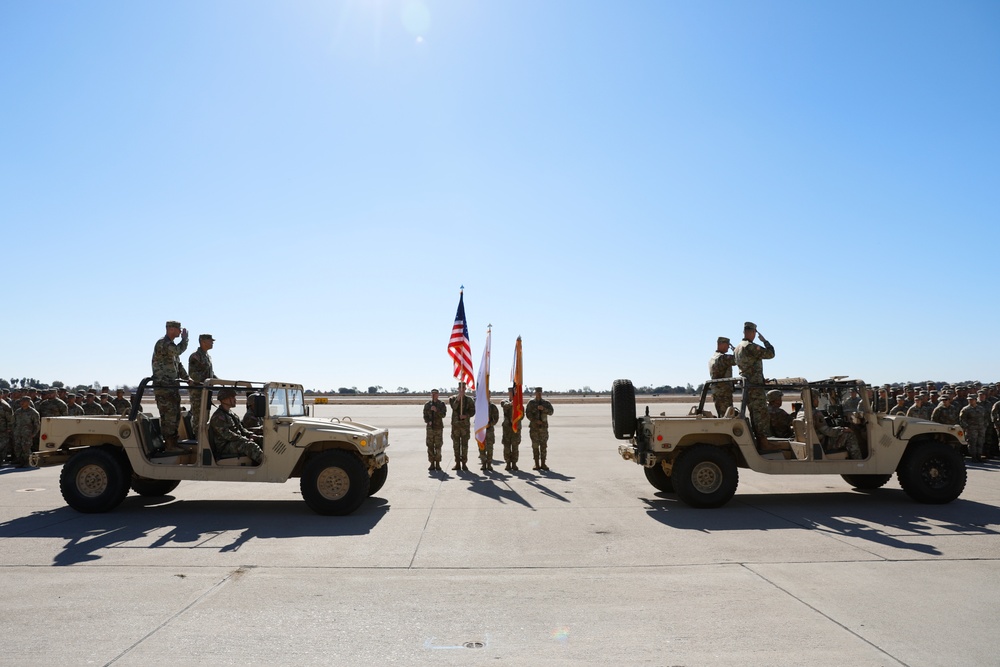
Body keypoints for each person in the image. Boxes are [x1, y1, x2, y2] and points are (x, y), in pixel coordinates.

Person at [734, 322, 775, 447]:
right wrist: (765, 341)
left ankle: (758, 442)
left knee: (753, 414)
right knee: (760, 415)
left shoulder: (737, 348)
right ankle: (764, 443)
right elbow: (770, 354)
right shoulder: (750, 346)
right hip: (755, 387)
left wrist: (761, 379)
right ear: (752, 332)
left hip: (747, 386)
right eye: (755, 333)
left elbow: (749, 367)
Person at [152, 320, 190, 452]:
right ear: (171, 329)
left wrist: (188, 379)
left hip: (172, 386)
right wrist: (185, 340)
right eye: (179, 329)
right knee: (168, 416)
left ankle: (173, 443)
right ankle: (169, 445)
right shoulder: (163, 343)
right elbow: (178, 351)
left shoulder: (170, 346)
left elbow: (178, 366)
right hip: (164, 387)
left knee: (175, 415)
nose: (180, 332)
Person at [209, 388, 263, 464]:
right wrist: (244, 439)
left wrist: (251, 435)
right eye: (232, 397)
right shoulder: (218, 417)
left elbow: (241, 429)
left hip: (235, 441)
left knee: (262, 440)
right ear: (224, 399)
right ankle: (267, 465)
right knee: (249, 446)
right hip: (225, 446)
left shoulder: (231, 414)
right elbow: (228, 435)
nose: (235, 400)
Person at [806, 393, 862, 459]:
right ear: (812, 400)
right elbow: (827, 431)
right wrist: (842, 429)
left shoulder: (802, 412)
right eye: (816, 399)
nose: (818, 401)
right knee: (850, 435)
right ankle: (859, 461)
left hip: (811, 441)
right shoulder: (816, 413)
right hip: (822, 442)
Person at [526, 387, 554, 470]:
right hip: (534, 428)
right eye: (537, 392)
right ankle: (536, 464)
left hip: (543, 429)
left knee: (543, 446)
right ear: (535, 393)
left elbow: (551, 412)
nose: (539, 394)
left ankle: (543, 464)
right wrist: (535, 421)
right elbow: (528, 414)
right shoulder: (531, 403)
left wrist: (544, 409)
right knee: (535, 446)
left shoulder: (546, 403)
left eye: (540, 392)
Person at [188, 334, 216, 418]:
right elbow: (193, 374)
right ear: (203, 342)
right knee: (198, 418)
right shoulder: (195, 356)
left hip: (207, 391)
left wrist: (220, 381)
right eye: (210, 341)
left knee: (205, 417)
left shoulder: (207, 357)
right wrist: (206, 382)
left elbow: (211, 374)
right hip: (198, 393)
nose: (212, 343)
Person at [448, 383, 475, 471]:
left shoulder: (469, 400)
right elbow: (454, 407)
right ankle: (457, 463)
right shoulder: (452, 398)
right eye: (460, 388)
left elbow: (473, 411)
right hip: (455, 427)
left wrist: (466, 416)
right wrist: (459, 397)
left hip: (465, 427)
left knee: (464, 446)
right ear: (458, 388)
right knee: (456, 445)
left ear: (465, 389)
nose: (462, 389)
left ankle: (464, 463)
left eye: (464, 388)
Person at [709, 336, 737, 417]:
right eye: (728, 344)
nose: (728, 347)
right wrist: (736, 350)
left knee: (722, 414)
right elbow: (739, 359)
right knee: (727, 416)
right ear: (721, 344)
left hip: (717, 392)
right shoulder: (722, 357)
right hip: (724, 392)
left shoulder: (713, 357)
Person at [422, 389, 447, 471]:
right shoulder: (427, 404)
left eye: (435, 394)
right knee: (430, 446)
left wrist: (436, 410)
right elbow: (425, 415)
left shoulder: (441, 404)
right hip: (430, 429)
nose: (434, 395)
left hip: (438, 428)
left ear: (438, 395)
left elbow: (443, 415)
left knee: (438, 446)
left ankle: (438, 463)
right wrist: (428, 421)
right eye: (432, 394)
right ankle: (432, 463)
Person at [12, 396, 40, 468]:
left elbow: (37, 425)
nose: (21, 403)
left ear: (28, 402)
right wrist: (14, 431)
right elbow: (14, 422)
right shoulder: (18, 411)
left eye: (23, 401)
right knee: (18, 448)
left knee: (26, 449)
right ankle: (21, 462)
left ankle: (28, 463)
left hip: (27, 434)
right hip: (18, 434)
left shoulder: (33, 412)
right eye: (21, 401)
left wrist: (33, 434)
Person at [960, 392, 988, 462]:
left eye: (972, 399)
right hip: (971, 429)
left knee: (980, 442)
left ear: (975, 400)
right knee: (972, 443)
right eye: (969, 400)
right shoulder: (965, 409)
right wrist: (967, 427)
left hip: (981, 428)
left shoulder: (981, 408)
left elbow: (985, 417)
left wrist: (985, 426)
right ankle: (974, 457)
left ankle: (979, 456)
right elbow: (962, 420)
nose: (970, 401)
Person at [501, 386, 523, 471]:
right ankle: (507, 463)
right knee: (506, 446)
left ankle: (514, 463)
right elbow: (504, 405)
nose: (511, 394)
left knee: (515, 446)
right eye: (510, 392)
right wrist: (511, 404)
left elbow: (521, 415)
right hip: (507, 428)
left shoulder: (518, 404)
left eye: (512, 393)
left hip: (515, 428)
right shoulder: (504, 402)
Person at [480, 399, 500, 472]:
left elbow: (496, 418)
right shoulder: (480, 406)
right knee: (481, 447)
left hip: (489, 430)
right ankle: (483, 463)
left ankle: (489, 464)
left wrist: (490, 424)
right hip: (481, 430)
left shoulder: (492, 407)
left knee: (490, 448)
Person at [0, 393, 12, 465]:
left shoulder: (5, 406)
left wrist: (9, 428)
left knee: (2, 446)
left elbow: (10, 419)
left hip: (3, 430)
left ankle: (0, 461)